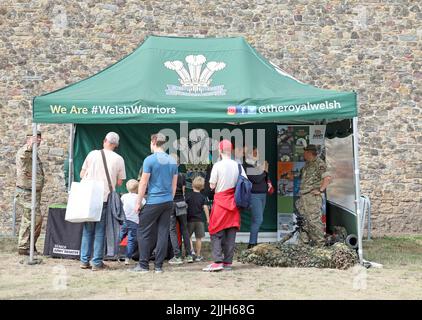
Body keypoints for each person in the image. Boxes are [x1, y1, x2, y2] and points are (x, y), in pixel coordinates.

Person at [131, 133, 178, 274]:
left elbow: (143, 182)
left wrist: (138, 202)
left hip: (153, 201)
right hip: (168, 201)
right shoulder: (172, 160)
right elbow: (174, 185)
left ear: (153, 142)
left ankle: (143, 265)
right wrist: (169, 199)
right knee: (163, 233)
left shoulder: (149, 160)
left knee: (143, 232)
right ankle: (158, 266)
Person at [79, 132, 126, 271]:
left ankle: (84, 260)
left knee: (87, 230)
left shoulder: (92, 154)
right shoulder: (119, 159)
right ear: (116, 145)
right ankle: (97, 263)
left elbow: (82, 174)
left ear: (104, 140)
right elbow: (118, 182)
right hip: (104, 197)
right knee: (100, 231)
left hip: (89, 197)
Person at [203, 140, 248, 272]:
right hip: (233, 203)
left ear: (220, 150)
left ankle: (217, 261)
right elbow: (245, 182)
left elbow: (211, 185)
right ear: (231, 150)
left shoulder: (217, 165)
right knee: (231, 233)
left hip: (221, 202)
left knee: (216, 231)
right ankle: (228, 262)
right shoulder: (238, 165)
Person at [295, 144, 331, 246]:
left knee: (314, 221)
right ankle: (304, 245)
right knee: (304, 221)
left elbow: (327, 178)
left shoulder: (319, 163)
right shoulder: (307, 164)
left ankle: (320, 245)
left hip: (312, 198)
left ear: (310, 153)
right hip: (304, 197)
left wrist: (320, 190)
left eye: (305, 152)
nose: (303, 154)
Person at [15, 130, 44, 255]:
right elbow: (23, 156)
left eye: (39, 139)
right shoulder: (25, 151)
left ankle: (29, 245)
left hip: (34, 193)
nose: (38, 141)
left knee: (34, 219)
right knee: (31, 218)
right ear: (29, 139)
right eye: (35, 138)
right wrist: (30, 145)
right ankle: (24, 246)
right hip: (26, 192)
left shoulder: (34, 153)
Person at [168, 154, 194, 265]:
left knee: (172, 230)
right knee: (184, 229)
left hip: (171, 203)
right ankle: (189, 255)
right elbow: (183, 191)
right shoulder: (182, 175)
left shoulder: (167, 175)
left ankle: (177, 256)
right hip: (181, 203)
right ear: (178, 164)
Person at [243, 146, 270, 249]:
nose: (258, 155)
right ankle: (252, 244)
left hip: (263, 194)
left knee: (256, 219)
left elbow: (266, 177)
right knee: (258, 219)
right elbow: (257, 179)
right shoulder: (247, 165)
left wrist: (264, 171)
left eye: (258, 153)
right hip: (254, 195)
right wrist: (264, 170)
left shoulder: (258, 165)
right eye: (255, 153)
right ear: (250, 154)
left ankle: (254, 241)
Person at [186, 176, 210, 262]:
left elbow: (185, 207)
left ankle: (191, 252)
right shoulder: (203, 197)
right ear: (202, 187)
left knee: (188, 237)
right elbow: (206, 208)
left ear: (192, 185)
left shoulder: (188, 196)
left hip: (189, 220)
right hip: (199, 220)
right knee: (199, 238)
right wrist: (208, 219)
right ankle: (198, 255)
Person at [120, 179, 143, 265]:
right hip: (134, 221)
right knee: (131, 240)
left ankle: (111, 252)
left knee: (120, 236)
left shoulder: (124, 196)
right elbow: (143, 205)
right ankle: (128, 258)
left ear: (127, 188)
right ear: (138, 188)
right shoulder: (139, 197)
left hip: (124, 220)